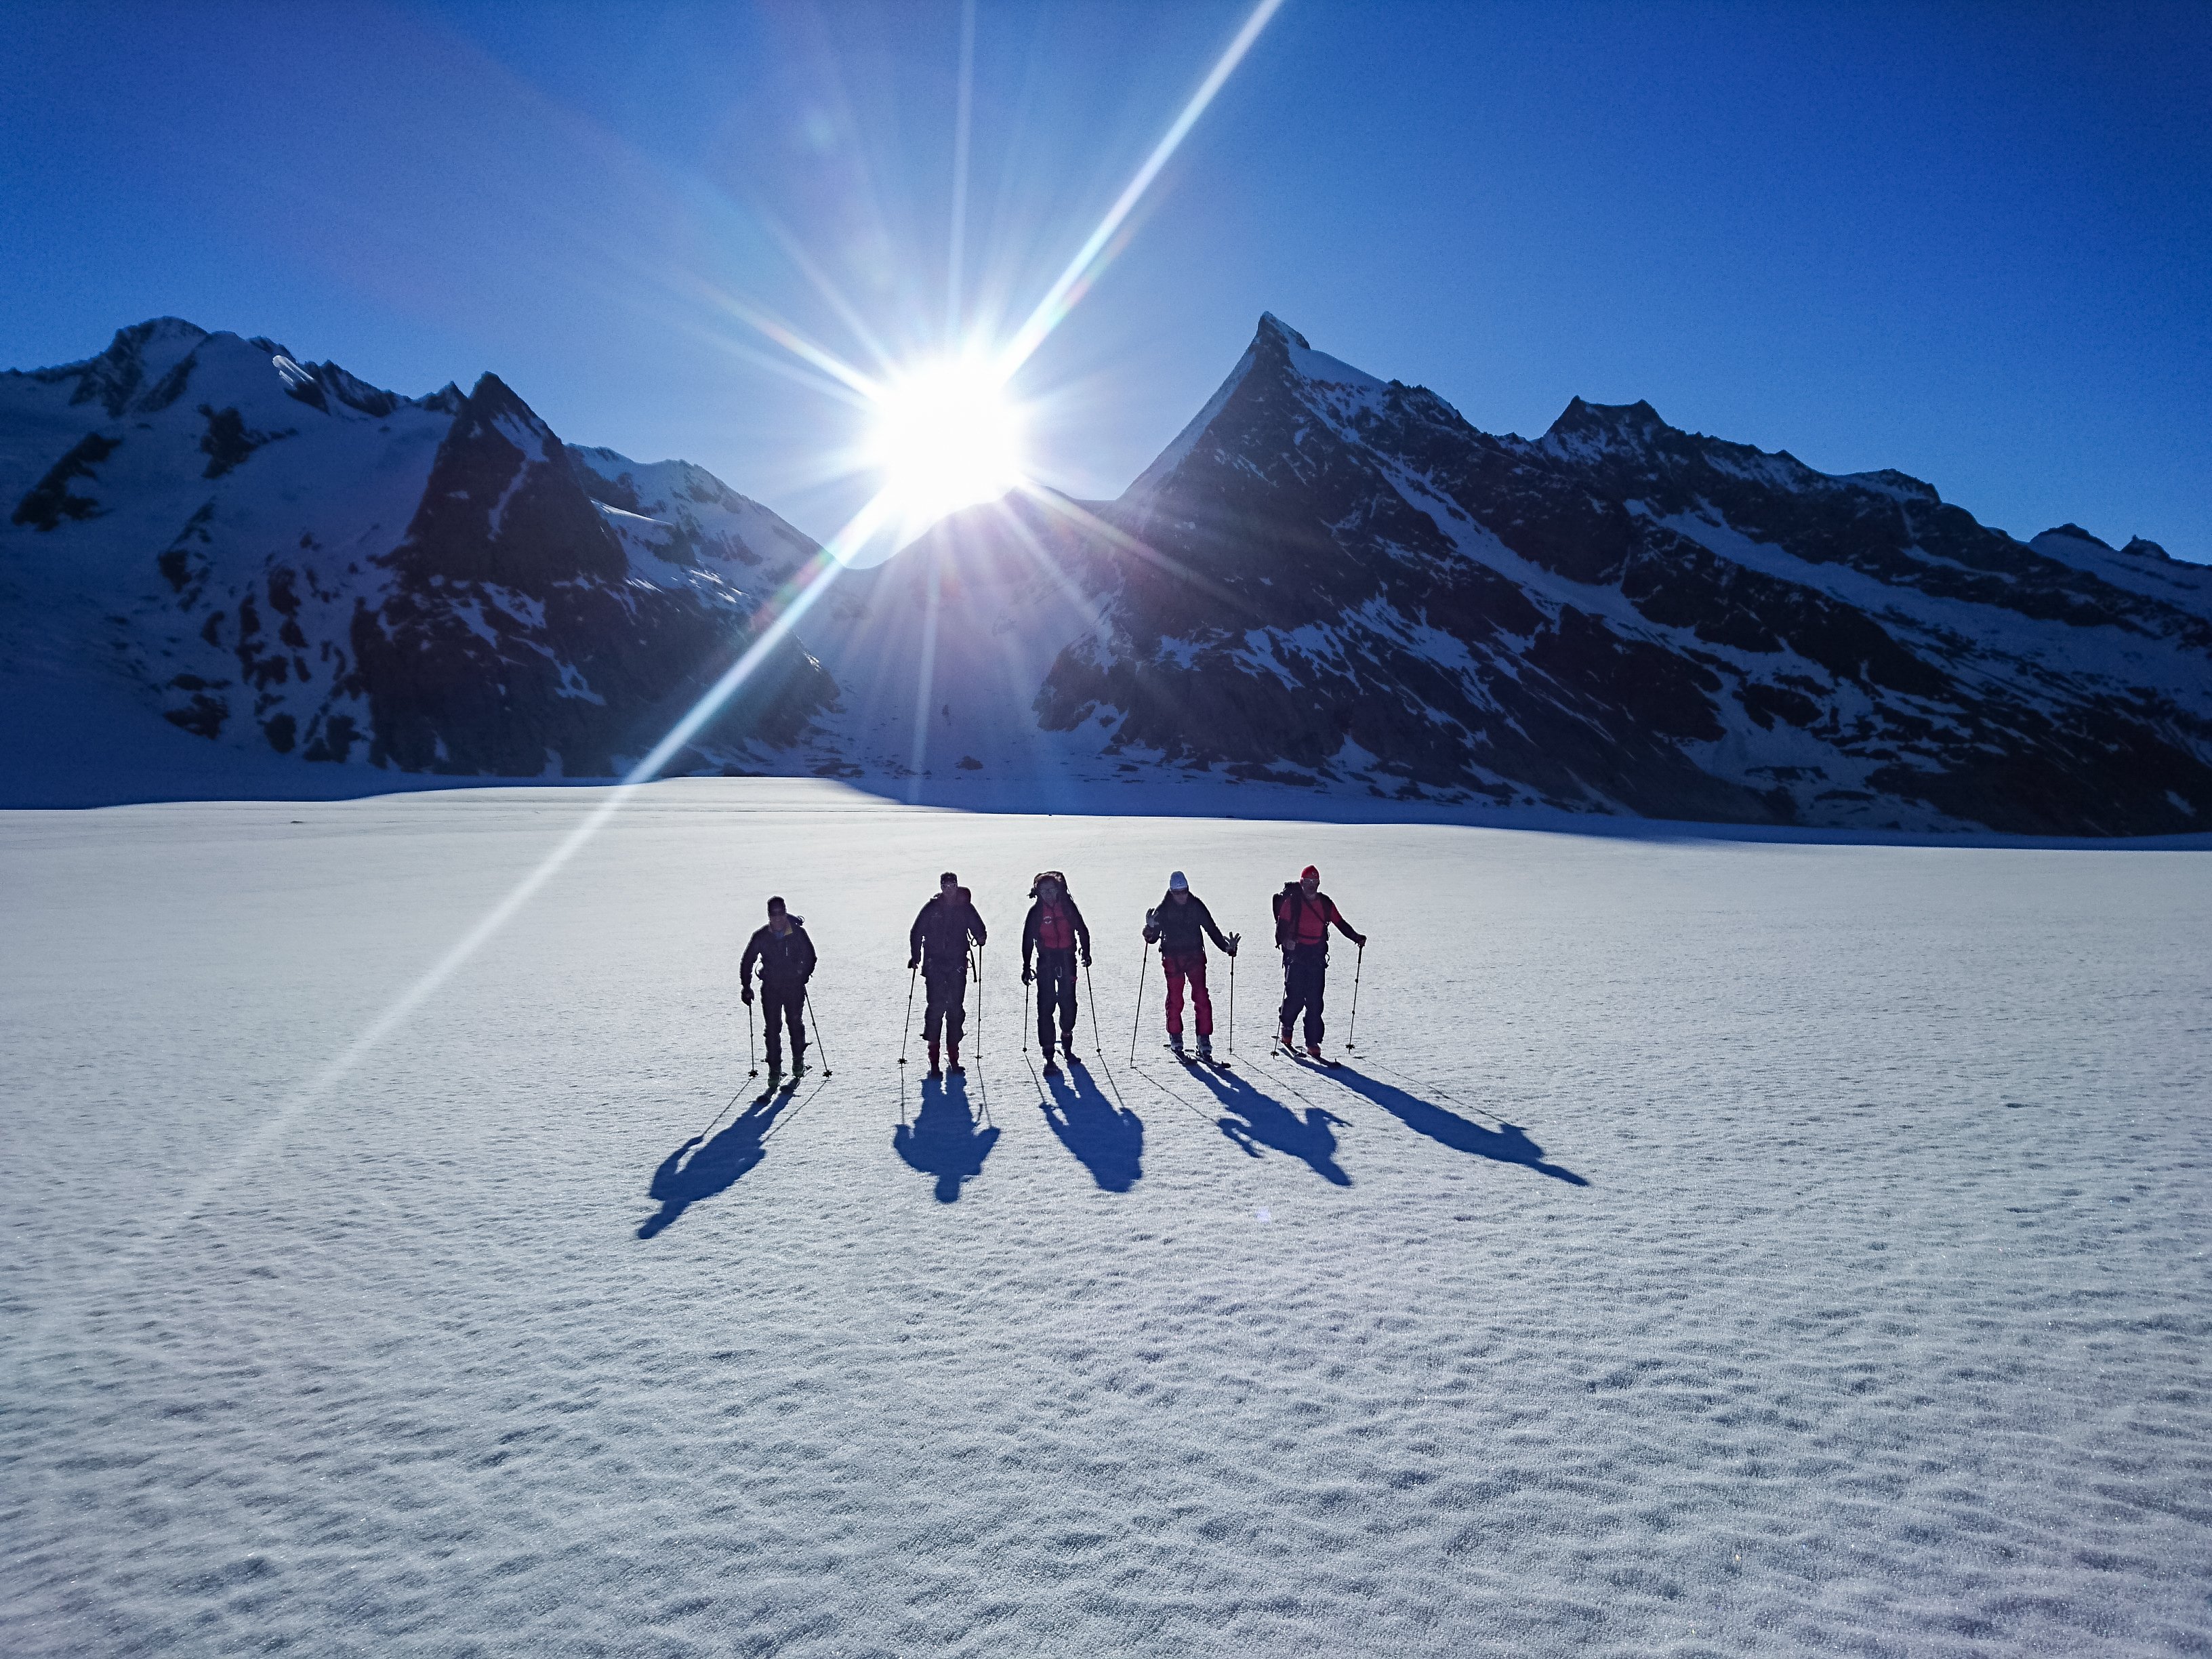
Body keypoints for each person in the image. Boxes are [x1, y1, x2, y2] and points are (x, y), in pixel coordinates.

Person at [1143, 870, 1237, 1061]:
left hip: (1195, 956)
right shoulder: (1163, 909)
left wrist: (1227, 948)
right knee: (1176, 998)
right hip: (1172, 959)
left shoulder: (1196, 906)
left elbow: (1212, 929)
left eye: (1184, 891)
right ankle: (1175, 1037)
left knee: (1201, 997)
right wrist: (1150, 927)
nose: (1182, 896)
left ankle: (1204, 1040)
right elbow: (1152, 939)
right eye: (1178, 893)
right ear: (1171, 892)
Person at [1273, 864, 1364, 1060]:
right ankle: (1287, 1027)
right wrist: (1285, 942)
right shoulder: (1292, 902)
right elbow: (1281, 928)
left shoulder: (1325, 904)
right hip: (1296, 955)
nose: (1311, 886)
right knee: (1296, 997)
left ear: (1319, 883)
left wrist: (1356, 938)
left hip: (1316, 956)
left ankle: (1312, 1042)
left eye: (1314, 882)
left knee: (1315, 1001)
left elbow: (1340, 923)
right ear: (1302, 882)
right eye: (1307, 882)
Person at [909, 871, 987, 1080]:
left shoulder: (965, 908)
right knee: (935, 1009)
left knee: (954, 1010)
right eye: (945, 885)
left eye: (952, 885)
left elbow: (979, 928)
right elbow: (916, 931)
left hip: (957, 966)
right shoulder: (932, 907)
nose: (948, 888)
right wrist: (915, 956)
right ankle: (934, 1061)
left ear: (957, 885)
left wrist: (981, 936)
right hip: (934, 966)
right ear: (941, 887)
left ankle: (953, 1058)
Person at [1020, 870, 1092, 1077]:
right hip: (1046, 962)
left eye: (1052, 890)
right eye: (1044, 891)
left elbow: (1082, 929)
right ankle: (1049, 1055)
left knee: (1069, 1004)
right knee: (1045, 1007)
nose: (1049, 894)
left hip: (1067, 960)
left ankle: (1066, 1037)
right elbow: (1027, 940)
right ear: (1038, 892)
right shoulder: (1036, 913)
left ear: (1059, 890)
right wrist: (1026, 966)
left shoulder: (1068, 908)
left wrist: (1085, 953)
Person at [739, 896, 817, 1078]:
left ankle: (798, 1064)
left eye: (781, 914)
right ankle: (774, 1071)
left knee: (795, 1023)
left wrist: (802, 975)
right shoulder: (761, 936)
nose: (778, 918)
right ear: (769, 916)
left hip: (794, 988)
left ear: (785, 912)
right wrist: (746, 986)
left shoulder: (797, 933)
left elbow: (811, 957)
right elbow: (747, 961)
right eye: (774, 915)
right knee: (773, 1028)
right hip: (771, 989)